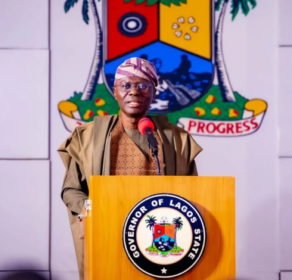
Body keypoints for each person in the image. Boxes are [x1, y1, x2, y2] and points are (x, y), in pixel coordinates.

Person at [57, 57, 202, 279]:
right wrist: (88, 210)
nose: (134, 92)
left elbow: (193, 194)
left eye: (143, 86)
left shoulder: (177, 140)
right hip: (106, 233)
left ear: (154, 93)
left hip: (158, 241)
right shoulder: (88, 136)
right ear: (114, 92)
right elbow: (71, 190)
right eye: (126, 85)